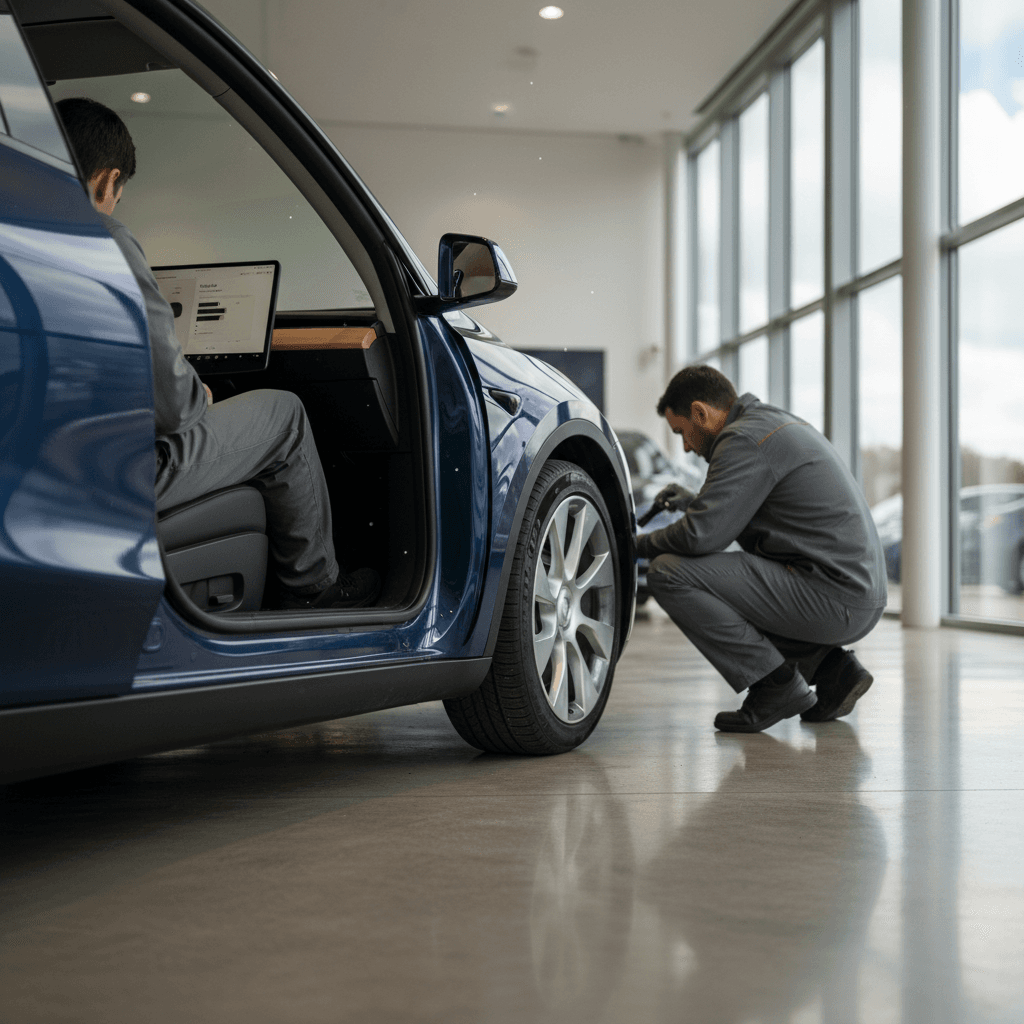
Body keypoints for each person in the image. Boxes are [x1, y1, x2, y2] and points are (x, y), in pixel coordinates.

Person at [56, 97, 378, 609]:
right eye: (119, 193)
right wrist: (197, 390)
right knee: (285, 414)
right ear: (105, 180)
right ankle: (315, 591)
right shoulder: (104, 240)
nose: (117, 205)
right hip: (115, 474)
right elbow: (175, 408)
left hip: (44, 471)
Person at [635, 365, 887, 733]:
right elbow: (755, 509)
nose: (687, 446)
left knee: (669, 572)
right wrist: (693, 501)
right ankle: (832, 670)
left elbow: (700, 537)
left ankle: (775, 685)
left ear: (700, 413)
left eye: (682, 432)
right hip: (854, 592)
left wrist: (637, 545)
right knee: (728, 580)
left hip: (836, 596)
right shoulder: (769, 424)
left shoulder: (742, 440)